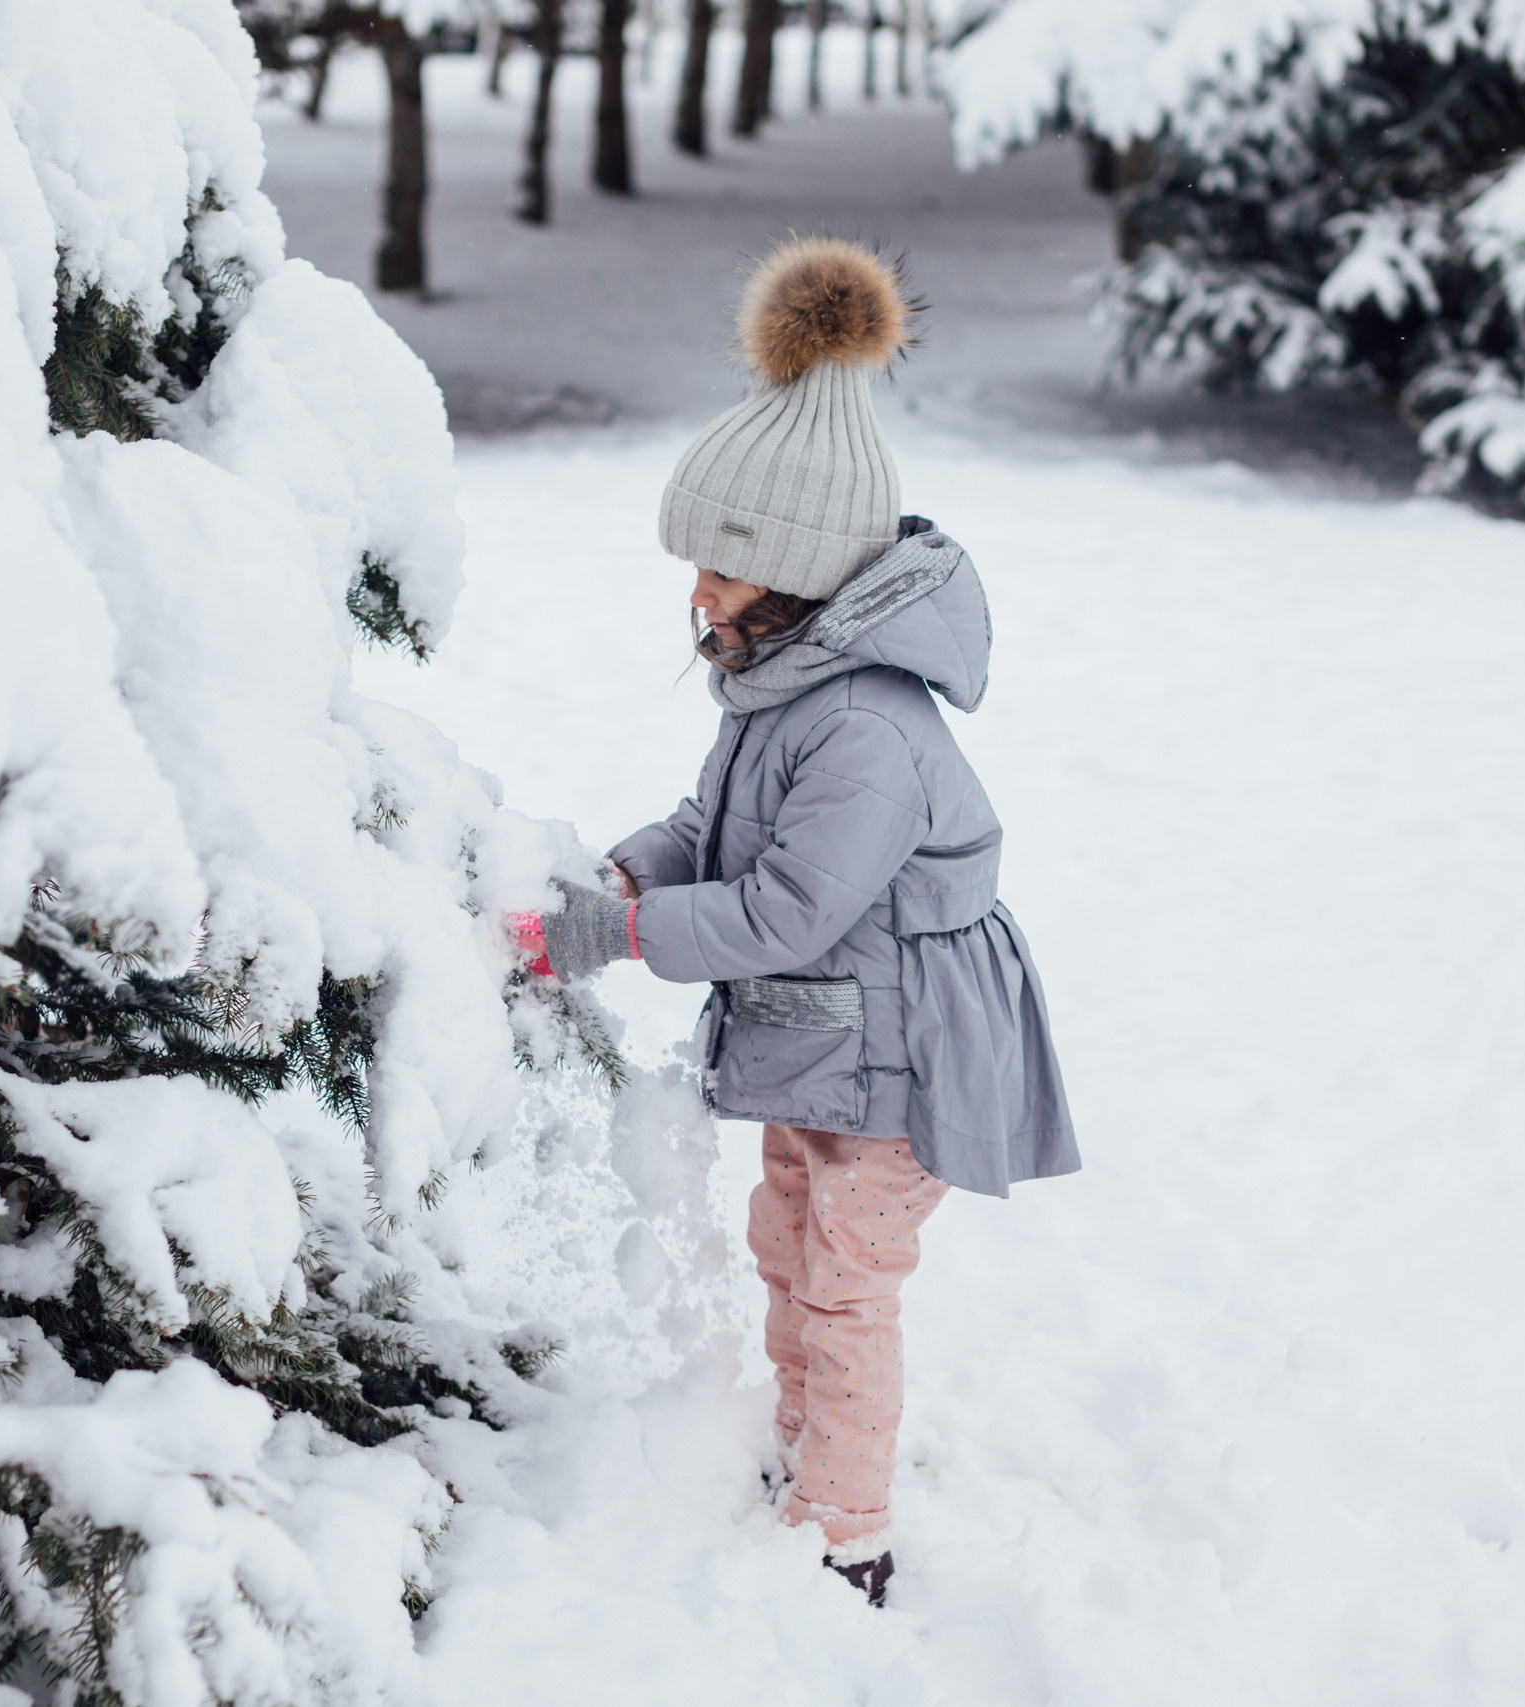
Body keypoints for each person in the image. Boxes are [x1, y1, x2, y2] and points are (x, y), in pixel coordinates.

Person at [515, 236, 1078, 1607]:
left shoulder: (868, 730)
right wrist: (620, 878)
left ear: (805, 569)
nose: (696, 595)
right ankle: (797, 1448)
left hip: (903, 1056)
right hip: (821, 1041)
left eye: (720, 567)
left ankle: (847, 1529)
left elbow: (784, 906)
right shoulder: (781, 687)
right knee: (788, 1250)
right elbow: (714, 833)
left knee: (845, 1284)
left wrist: (612, 941)